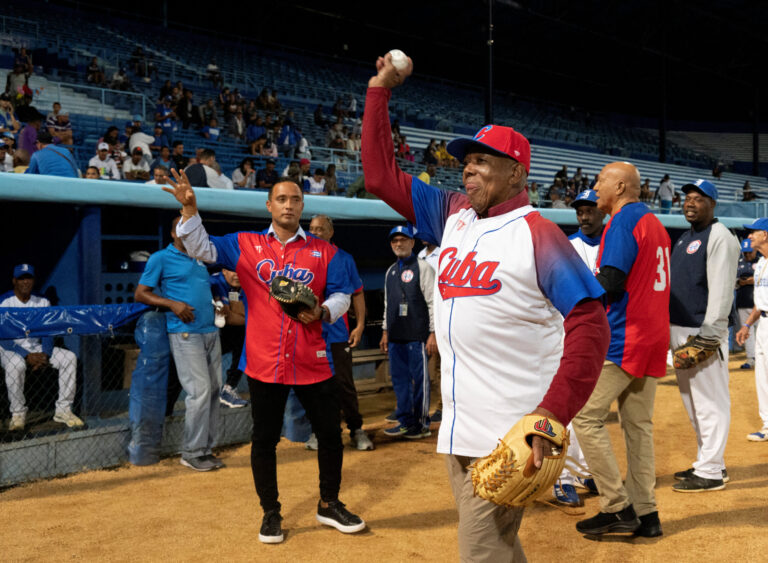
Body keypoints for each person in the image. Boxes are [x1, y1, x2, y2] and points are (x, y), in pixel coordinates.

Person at [362, 53, 609, 560]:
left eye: (482, 160)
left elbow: (591, 326)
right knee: (497, 546)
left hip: (512, 433)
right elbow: (381, 178)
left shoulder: (538, 234)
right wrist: (378, 92)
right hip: (458, 425)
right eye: (465, 160)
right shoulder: (454, 214)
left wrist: (550, 417)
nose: (467, 169)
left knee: (480, 551)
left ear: (517, 172)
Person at [164, 171, 365, 543]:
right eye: (282, 199)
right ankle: (270, 513)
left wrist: (322, 311)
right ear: (269, 205)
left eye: (295, 200)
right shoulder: (246, 244)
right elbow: (201, 247)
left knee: (330, 435)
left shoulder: (326, 252)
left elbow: (340, 294)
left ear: (302, 206)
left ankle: (329, 503)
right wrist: (189, 208)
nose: (289, 205)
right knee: (264, 439)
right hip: (264, 360)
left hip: (312, 358)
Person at [571, 161, 671, 538]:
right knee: (638, 427)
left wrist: (574, 287)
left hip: (625, 337)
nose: (595, 187)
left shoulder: (623, 220)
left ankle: (616, 506)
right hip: (652, 337)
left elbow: (611, 282)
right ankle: (647, 515)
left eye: (600, 181)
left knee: (585, 416)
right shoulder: (654, 222)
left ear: (621, 185)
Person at [134, 217, 223, 472]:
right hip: (185, 332)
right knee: (200, 391)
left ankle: (205, 449)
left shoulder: (199, 257)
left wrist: (217, 306)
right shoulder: (160, 258)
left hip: (209, 330)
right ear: (174, 232)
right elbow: (141, 293)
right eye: (182, 230)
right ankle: (192, 452)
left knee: (215, 389)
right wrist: (172, 304)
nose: (187, 234)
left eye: (192, 230)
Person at [668, 179, 740, 492]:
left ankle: (710, 471)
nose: (690, 203)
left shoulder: (720, 236)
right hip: (680, 329)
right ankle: (710, 462)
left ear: (713, 204)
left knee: (710, 402)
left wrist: (709, 337)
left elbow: (723, 290)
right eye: (687, 198)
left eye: (698, 198)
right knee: (693, 403)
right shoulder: (686, 237)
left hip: (702, 331)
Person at [549, 189, 606, 507]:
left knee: (592, 409)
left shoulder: (613, 246)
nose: (583, 216)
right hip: (566, 338)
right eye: (579, 211)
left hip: (601, 339)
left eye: (590, 211)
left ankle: (583, 470)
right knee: (566, 409)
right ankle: (563, 478)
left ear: (603, 213)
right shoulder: (566, 247)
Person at [304, 214, 374, 450]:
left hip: (337, 333)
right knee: (315, 386)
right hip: (310, 336)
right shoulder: (301, 258)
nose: (315, 233)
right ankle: (319, 431)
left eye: (321, 229)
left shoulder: (344, 258)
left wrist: (360, 325)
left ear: (331, 232)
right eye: (312, 229)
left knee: (344, 384)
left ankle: (356, 429)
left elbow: (357, 293)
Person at [0, 264, 84, 431]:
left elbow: (48, 332)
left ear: (33, 280)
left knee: (69, 358)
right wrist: (26, 355)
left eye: (29, 278)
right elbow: (3, 338)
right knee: (15, 365)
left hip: (36, 348)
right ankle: (18, 414)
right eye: (21, 278)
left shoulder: (43, 301)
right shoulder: (4, 302)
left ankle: (63, 410)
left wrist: (45, 353)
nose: (25, 282)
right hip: (9, 348)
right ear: (14, 281)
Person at [380, 225, 436, 439]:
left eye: (403, 240)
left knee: (420, 381)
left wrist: (432, 333)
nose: (398, 244)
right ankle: (405, 421)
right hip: (396, 336)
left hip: (417, 336)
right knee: (400, 381)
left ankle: (421, 425)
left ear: (412, 242)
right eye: (395, 241)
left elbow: (432, 302)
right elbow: (388, 304)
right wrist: (385, 331)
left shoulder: (423, 267)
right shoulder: (390, 271)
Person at [736, 218, 768, 442]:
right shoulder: (761, 264)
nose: (749, 237)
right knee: (762, 376)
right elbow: (760, 301)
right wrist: (747, 325)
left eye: (752, 233)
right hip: (763, 323)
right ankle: (767, 425)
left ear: (765, 235)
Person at [208, 269, 249, 408]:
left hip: (230, 330)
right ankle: (167, 405)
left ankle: (229, 389)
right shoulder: (213, 281)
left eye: (240, 271)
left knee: (246, 341)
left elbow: (240, 318)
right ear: (224, 271)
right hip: (205, 333)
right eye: (232, 271)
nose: (237, 274)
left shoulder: (247, 283)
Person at [736, 238, 759, 369]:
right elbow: (733, 282)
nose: (748, 255)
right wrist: (741, 282)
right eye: (745, 252)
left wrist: (753, 280)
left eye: (750, 252)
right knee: (747, 332)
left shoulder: (763, 261)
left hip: (760, 304)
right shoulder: (738, 263)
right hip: (743, 302)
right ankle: (751, 358)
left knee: (762, 331)